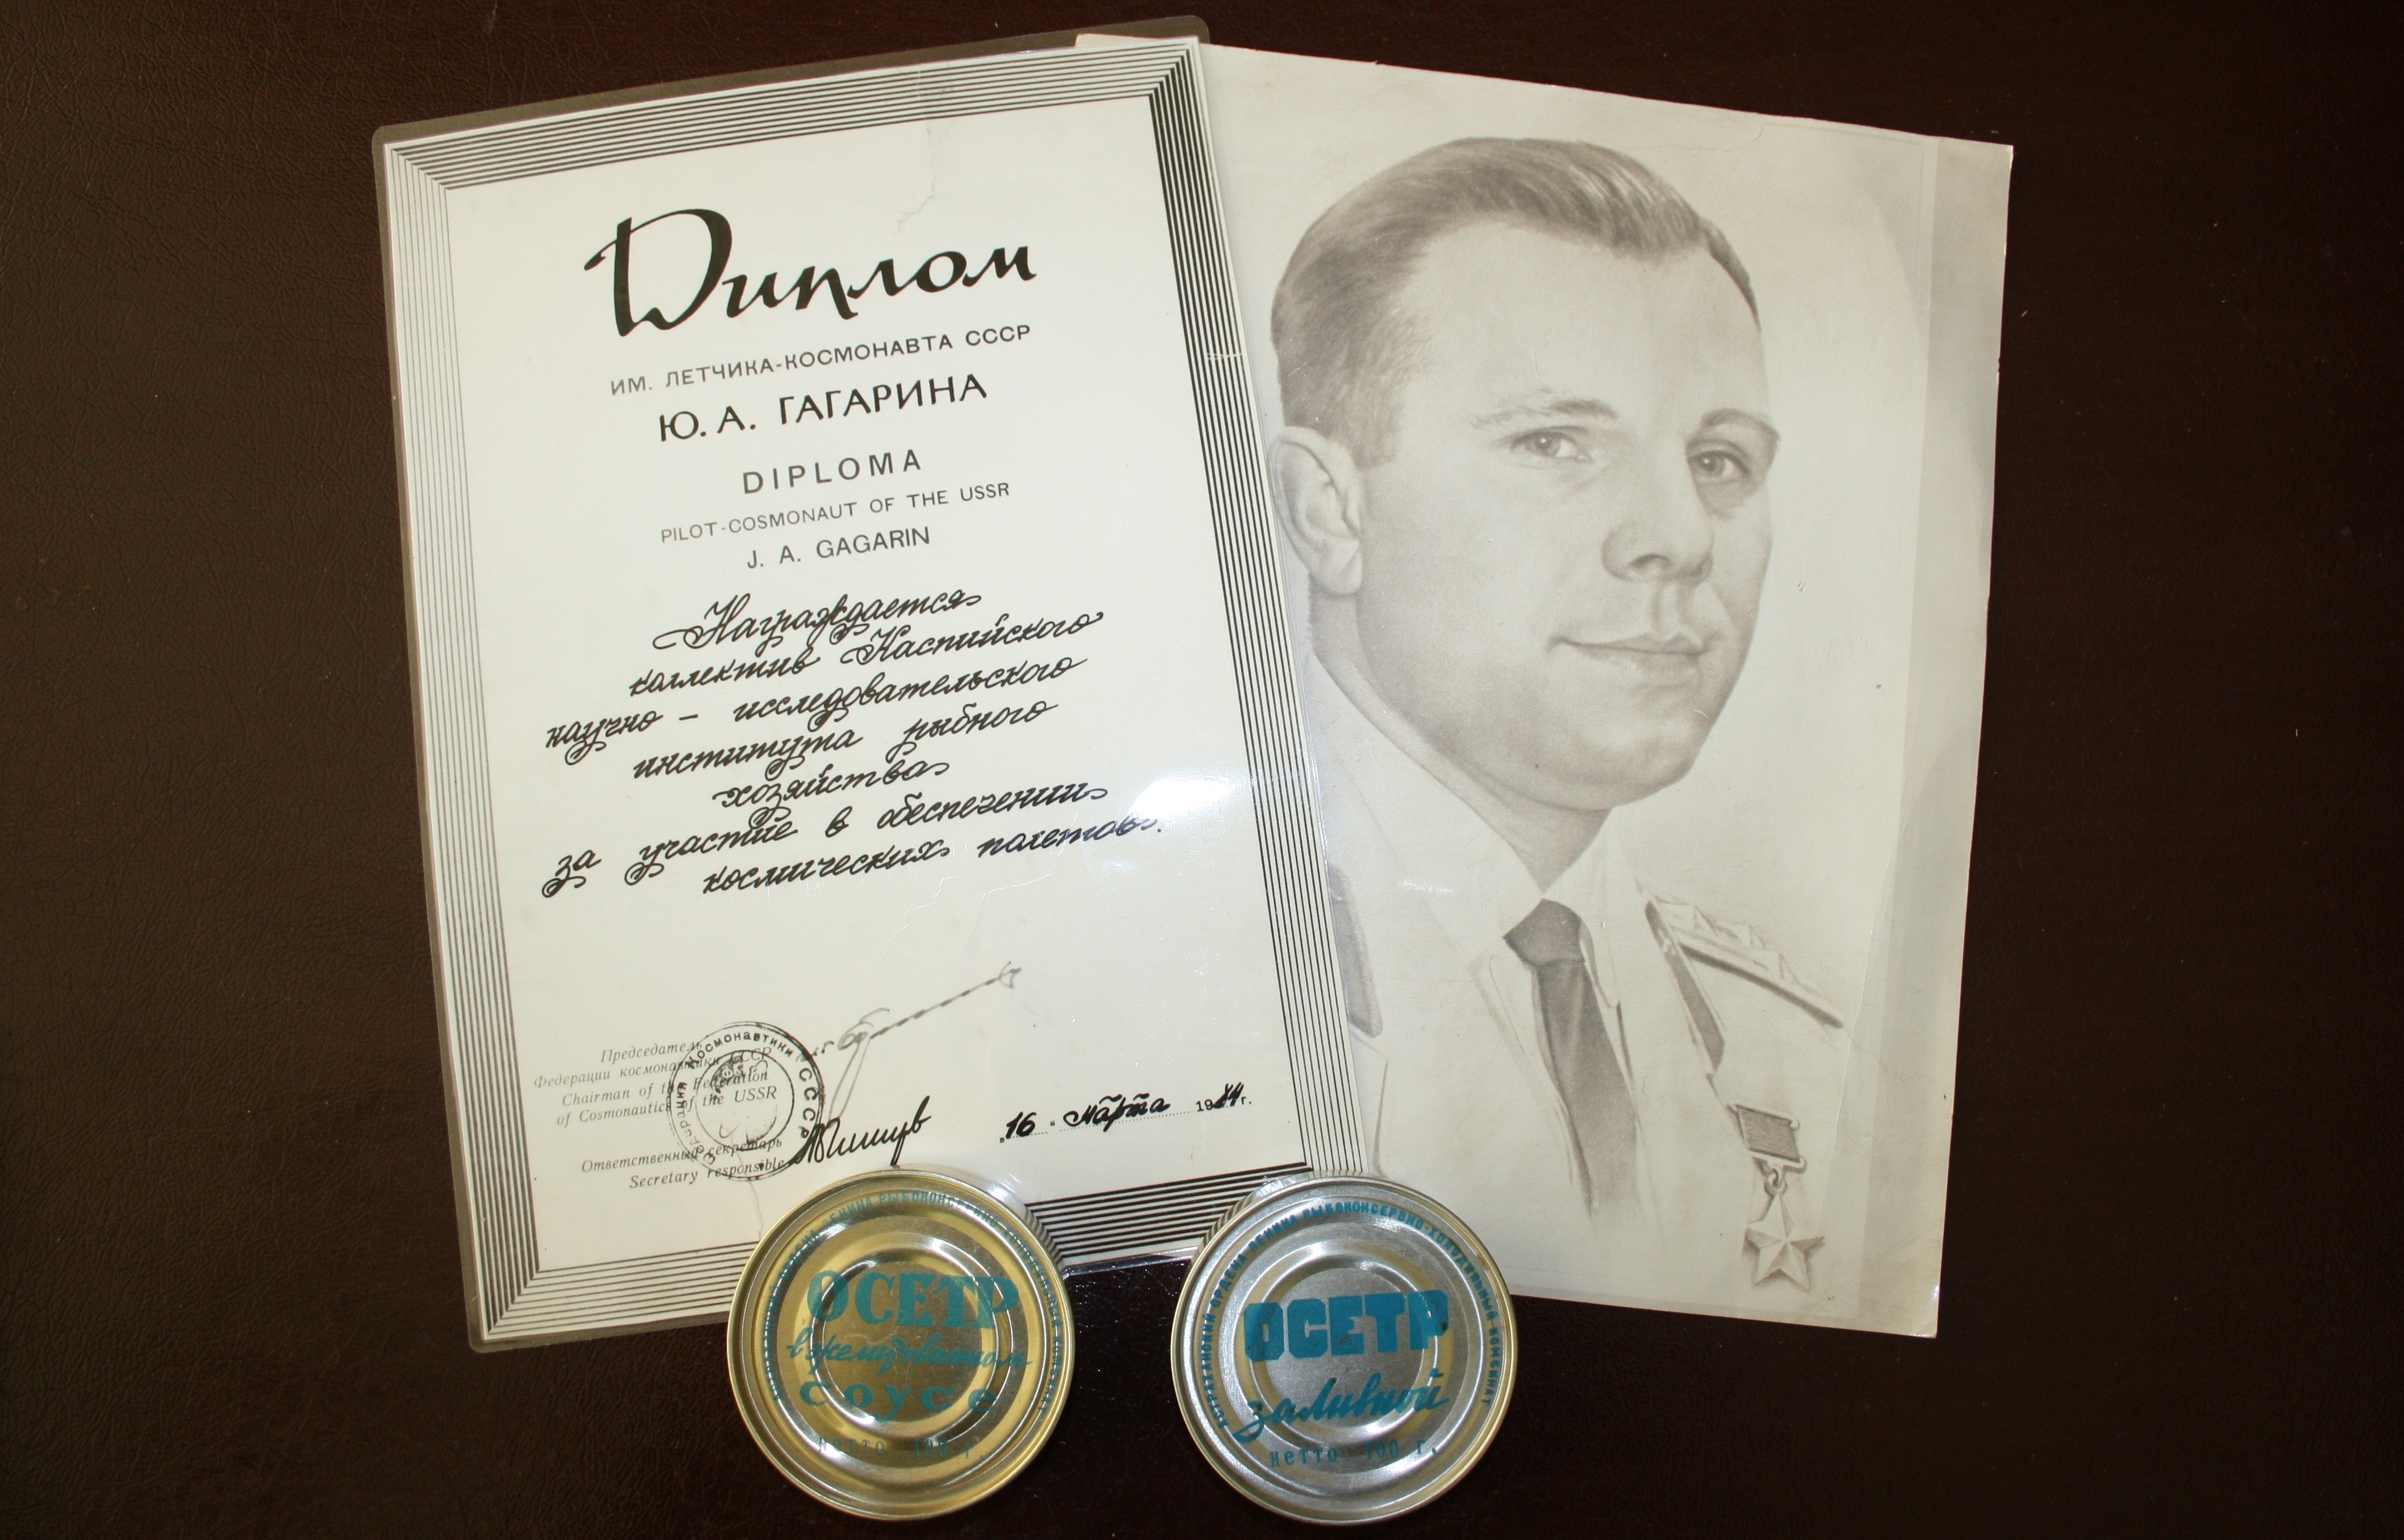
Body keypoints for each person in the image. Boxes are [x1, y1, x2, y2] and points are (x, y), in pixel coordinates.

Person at [1270, 138, 1850, 1309]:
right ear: (1328, 512)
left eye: (1719, 459)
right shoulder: (1189, 995)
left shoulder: (1804, 1052)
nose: (1678, 536)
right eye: (1553, 444)